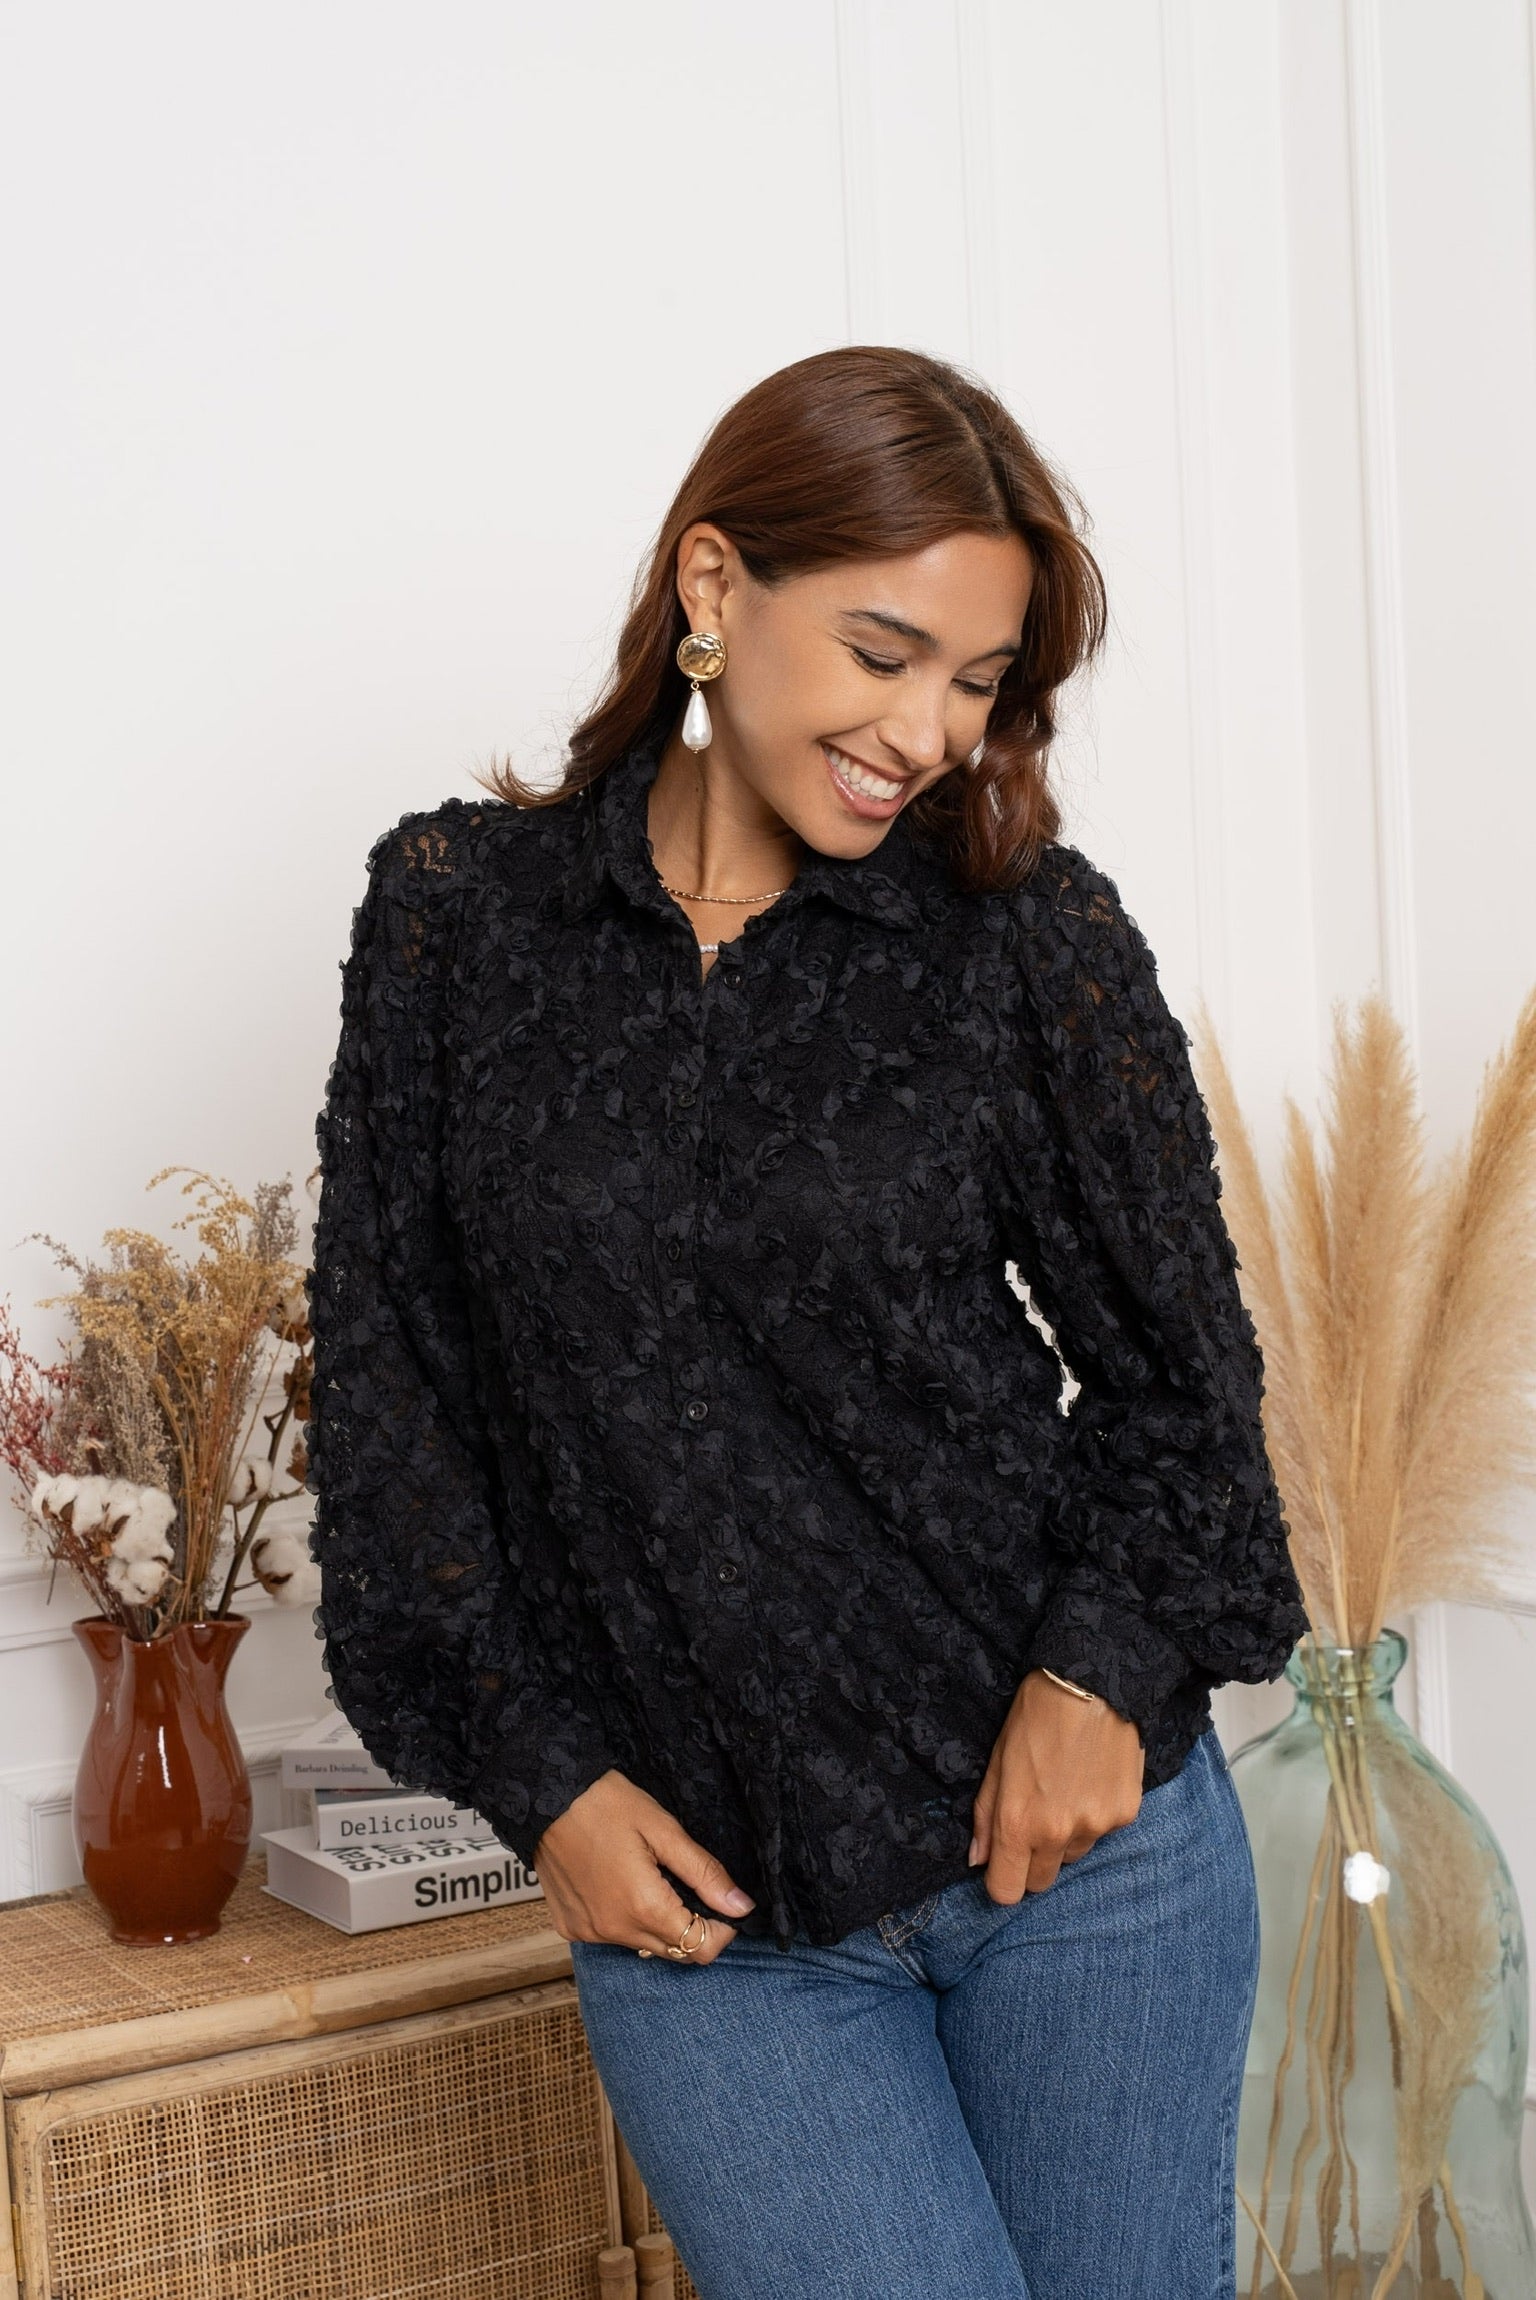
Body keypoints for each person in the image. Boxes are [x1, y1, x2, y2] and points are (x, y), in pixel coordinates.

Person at [306, 346, 1310, 2300]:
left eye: (977, 682)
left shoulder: (1024, 937)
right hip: (711, 1917)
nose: (927, 731)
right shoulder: (456, 924)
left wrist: (1097, 1674)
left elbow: (1184, 1378)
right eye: (883, 651)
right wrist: (546, 1786)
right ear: (714, 585)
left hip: (1077, 1865)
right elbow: (394, 1412)